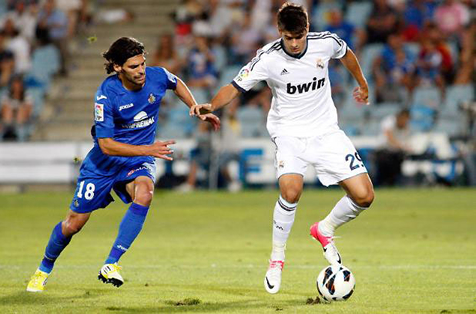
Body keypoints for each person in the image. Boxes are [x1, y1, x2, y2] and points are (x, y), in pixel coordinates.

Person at [191, 2, 375, 294]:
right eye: (288, 37)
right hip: (288, 133)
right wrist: (211, 104)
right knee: (291, 191)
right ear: (280, 32)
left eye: (298, 36)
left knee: (365, 196)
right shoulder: (268, 58)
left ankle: (324, 229)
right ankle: (277, 257)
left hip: (326, 132)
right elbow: (235, 86)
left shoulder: (325, 43)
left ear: (307, 30)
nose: (293, 42)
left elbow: (347, 54)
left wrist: (362, 84)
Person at [26, 37, 220, 292]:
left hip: (137, 160)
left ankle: (111, 263)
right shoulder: (106, 95)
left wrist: (194, 106)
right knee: (73, 224)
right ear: (117, 67)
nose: (140, 71)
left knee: (145, 193)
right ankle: (44, 268)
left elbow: (175, 82)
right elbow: (106, 145)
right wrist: (148, 149)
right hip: (103, 164)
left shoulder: (156, 76)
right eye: (133, 67)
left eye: (142, 64)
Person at [375, 109, 412, 186]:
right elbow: (389, 137)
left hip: (395, 152)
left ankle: (393, 183)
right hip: (383, 151)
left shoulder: (405, 126)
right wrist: (402, 146)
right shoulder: (389, 121)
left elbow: (405, 139)